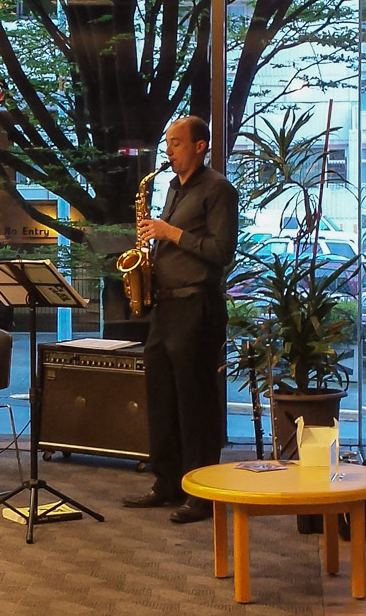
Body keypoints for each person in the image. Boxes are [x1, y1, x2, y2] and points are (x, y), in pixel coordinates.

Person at [121, 115, 238, 523]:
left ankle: (201, 492)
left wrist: (169, 233)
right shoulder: (172, 187)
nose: (169, 149)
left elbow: (222, 251)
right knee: (162, 398)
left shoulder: (218, 189)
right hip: (166, 307)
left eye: (176, 142)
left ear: (200, 146)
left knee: (195, 402)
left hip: (197, 305)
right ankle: (167, 482)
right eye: (168, 143)